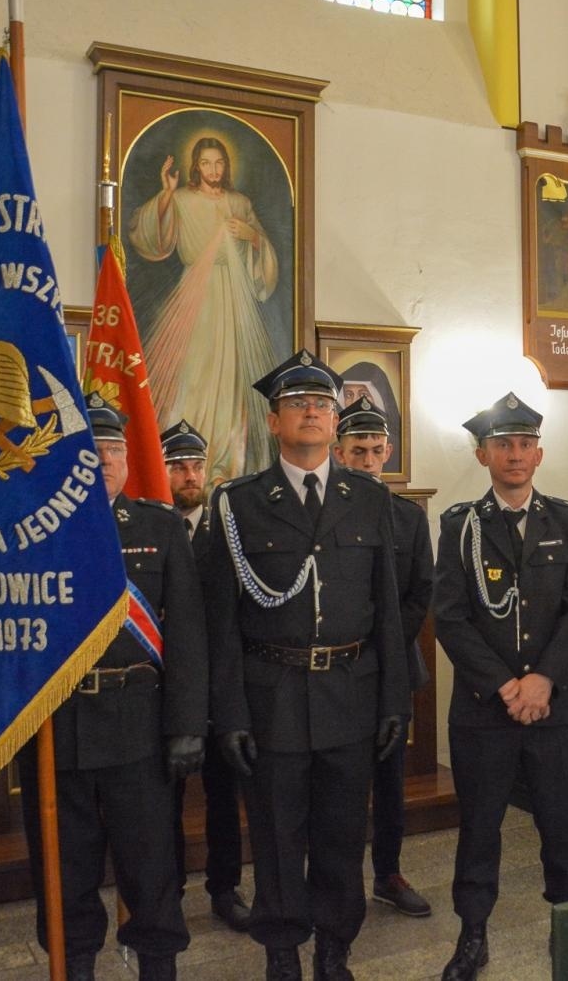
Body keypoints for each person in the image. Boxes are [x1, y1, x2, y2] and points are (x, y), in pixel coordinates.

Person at [200, 349, 409, 981]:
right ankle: (282, 953)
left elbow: (388, 611)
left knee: (343, 839)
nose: (312, 412)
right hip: (272, 700)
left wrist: (394, 701)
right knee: (276, 839)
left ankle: (334, 952)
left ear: (335, 420)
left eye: (322, 404)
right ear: (274, 422)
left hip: (351, 696)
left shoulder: (369, 500)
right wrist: (229, 714)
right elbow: (220, 624)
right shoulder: (237, 504)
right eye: (297, 404)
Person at [16, 394, 206, 981]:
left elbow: (188, 633)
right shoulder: (31, 531)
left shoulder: (159, 526)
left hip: (138, 724)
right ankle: (75, 965)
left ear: (128, 460)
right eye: (89, 448)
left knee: (150, 864)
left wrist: (186, 725)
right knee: (64, 867)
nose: (102, 459)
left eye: (114, 449)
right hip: (56, 722)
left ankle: (157, 966)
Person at [432, 393, 568, 981]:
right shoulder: (461, 525)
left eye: (525, 444)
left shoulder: (567, 520)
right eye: (503, 445)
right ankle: (473, 934)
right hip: (484, 708)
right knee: (479, 828)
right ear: (483, 455)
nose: (516, 454)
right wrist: (506, 686)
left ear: (539, 454)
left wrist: (542, 680)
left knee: (560, 824)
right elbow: (450, 617)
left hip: (553, 706)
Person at [330, 397, 435, 919]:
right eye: (358, 450)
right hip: (338, 671)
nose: (368, 460)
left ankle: (388, 873)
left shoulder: (408, 518)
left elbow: (420, 593)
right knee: (338, 781)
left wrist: (384, 649)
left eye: (376, 450)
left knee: (391, 780)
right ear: (339, 453)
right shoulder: (324, 512)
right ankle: (337, 877)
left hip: (391, 668)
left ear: (388, 451)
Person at [128, 137, 280, 482]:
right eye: (207, 162)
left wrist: (253, 237)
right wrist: (166, 194)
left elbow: (265, 257)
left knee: (231, 381)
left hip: (234, 297)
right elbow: (150, 236)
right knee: (195, 373)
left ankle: (225, 467)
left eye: (219, 162)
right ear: (196, 165)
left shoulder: (239, 203)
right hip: (196, 294)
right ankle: (186, 459)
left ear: (227, 165)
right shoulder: (182, 198)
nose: (214, 169)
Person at [160, 418, 251, 931]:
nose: (190, 475)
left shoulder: (226, 534)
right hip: (163, 688)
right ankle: (167, 890)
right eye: (177, 466)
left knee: (223, 797)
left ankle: (225, 888)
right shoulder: (149, 530)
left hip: (219, 686)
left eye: (195, 465)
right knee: (162, 800)